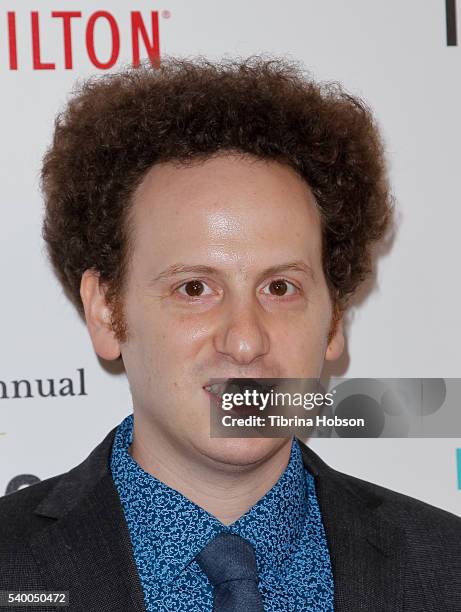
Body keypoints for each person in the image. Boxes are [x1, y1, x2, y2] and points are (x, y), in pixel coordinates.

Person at [0, 56, 459, 612]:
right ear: (106, 312)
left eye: (281, 288)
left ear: (335, 317)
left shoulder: (447, 568)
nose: (245, 342)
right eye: (194, 288)